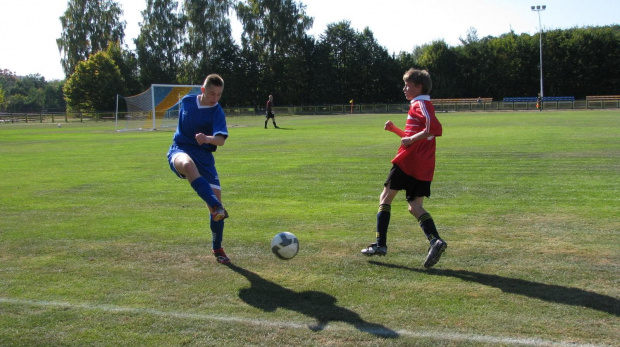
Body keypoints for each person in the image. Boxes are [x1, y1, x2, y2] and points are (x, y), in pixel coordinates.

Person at [361, 68, 447, 268]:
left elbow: (434, 128)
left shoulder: (421, 103)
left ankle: (380, 244)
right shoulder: (420, 104)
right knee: (414, 206)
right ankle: (435, 241)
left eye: (408, 85)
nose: (404, 88)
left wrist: (411, 138)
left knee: (385, 198)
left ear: (419, 87)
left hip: (409, 161)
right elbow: (414, 138)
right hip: (424, 164)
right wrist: (396, 131)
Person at [167, 74, 231, 264]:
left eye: (219, 95)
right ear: (203, 90)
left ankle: (217, 248)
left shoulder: (217, 111)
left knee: (217, 216)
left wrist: (207, 139)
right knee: (187, 165)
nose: (215, 98)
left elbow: (221, 140)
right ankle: (214, 205)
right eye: (212, 93)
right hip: (180, 149)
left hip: (205, 158)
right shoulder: (186, 101)